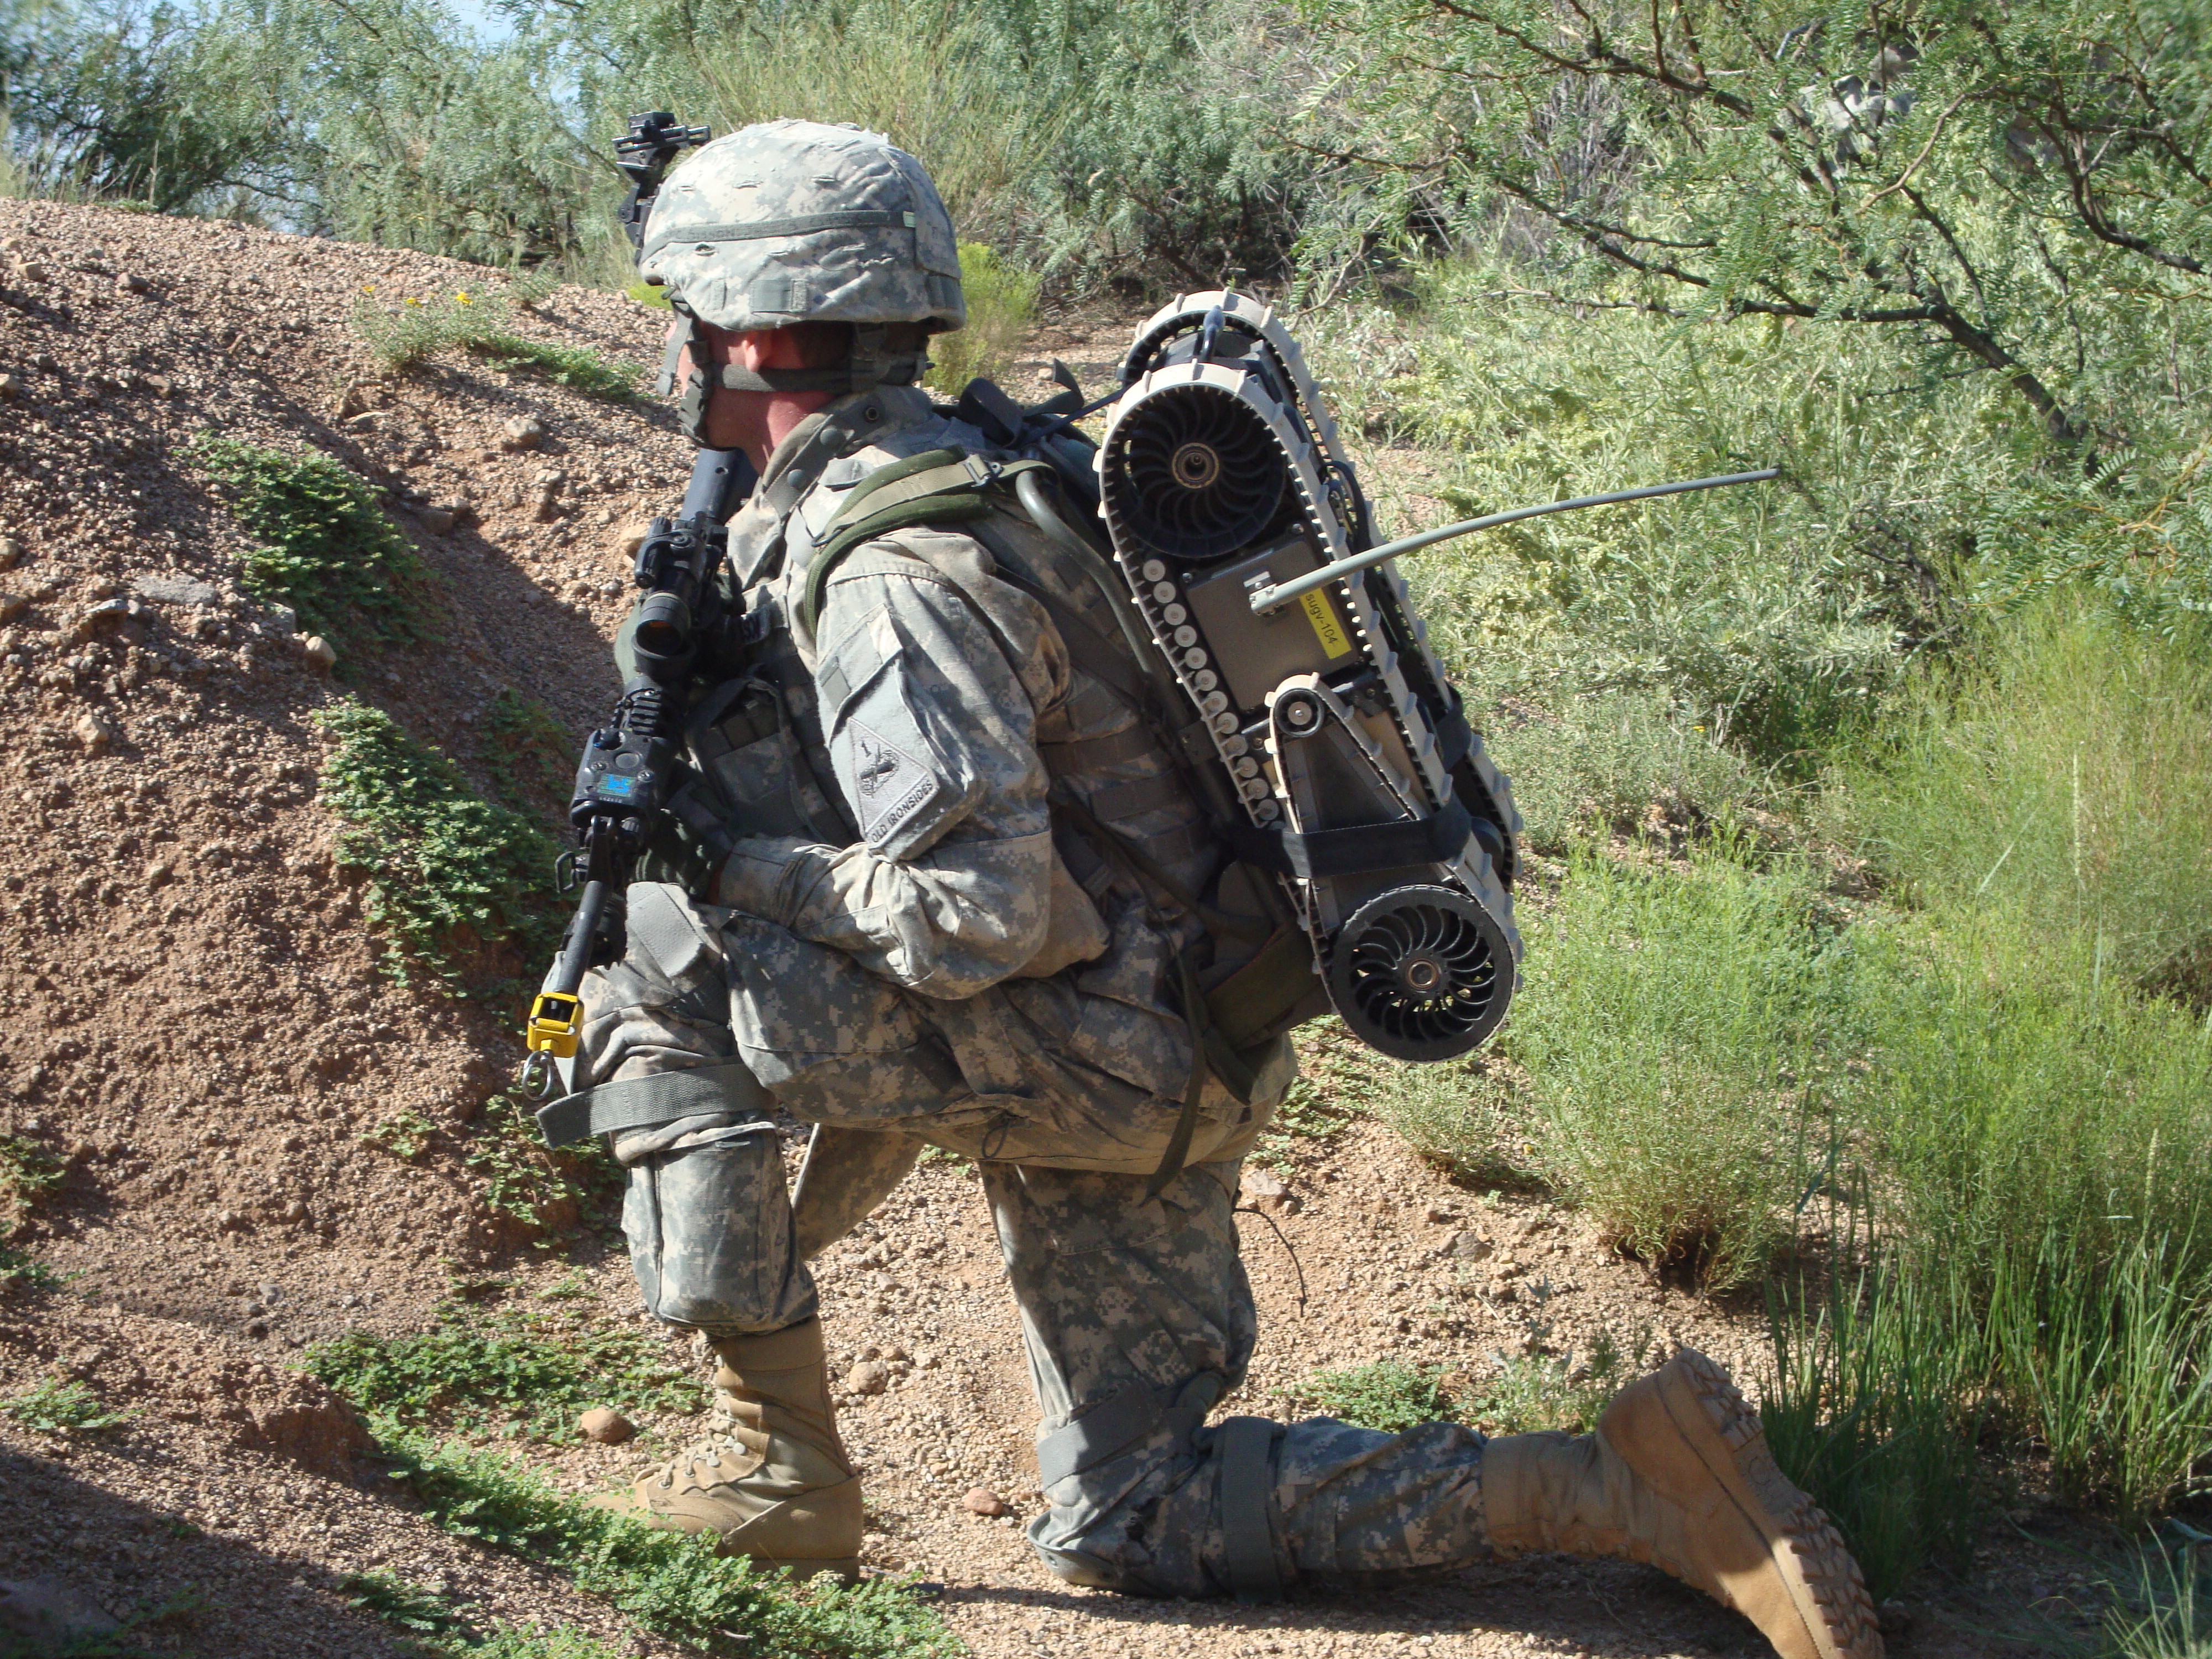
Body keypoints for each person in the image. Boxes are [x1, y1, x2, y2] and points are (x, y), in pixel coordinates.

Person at [557, 117, 1882, 1659]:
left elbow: (979, 912)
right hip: (1177, 1045)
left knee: (649, 959)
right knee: (1134, 1508)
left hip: (1080, 1046)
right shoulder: (994, 471)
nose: (674, 352)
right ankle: (1618, 1488)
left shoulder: (891, 574)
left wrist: (722, 861)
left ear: (748, 333)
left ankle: (782, 1478)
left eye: (686, 320)